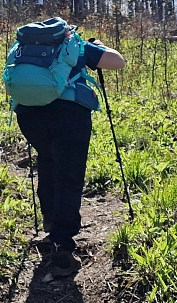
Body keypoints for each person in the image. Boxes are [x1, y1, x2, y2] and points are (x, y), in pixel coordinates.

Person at [13, 24, 126, 279]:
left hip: (29, 116)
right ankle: (62, 248)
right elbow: (118, 62)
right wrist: (98, 47)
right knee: (69, 176)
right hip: (69, 115)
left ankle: (51, 221)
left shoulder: (22, 49)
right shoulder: (75, 45)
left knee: (48, 159)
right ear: (65, 32)